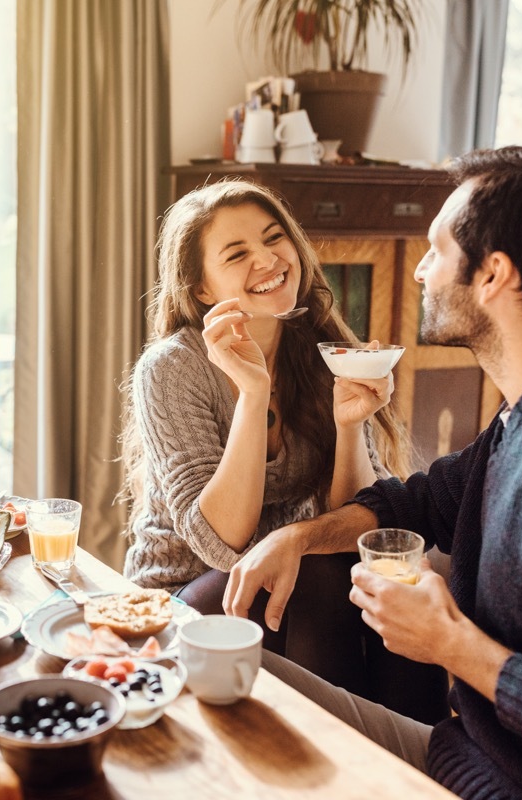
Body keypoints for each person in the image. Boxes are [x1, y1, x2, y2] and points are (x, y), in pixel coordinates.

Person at [224, 147, 522, 799]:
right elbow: (419, 502)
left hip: (512, 786)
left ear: (494, 274)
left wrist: (450, 644)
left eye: (437, 250)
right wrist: (296, 537)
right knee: (222, 675)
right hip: (464, 754)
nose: (418, 271)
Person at [119, 178, 449, 722]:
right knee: (316, 576)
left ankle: (425, 761)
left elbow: (357, 524)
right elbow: (224, 544)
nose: (268, 259)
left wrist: (350, 425)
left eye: (275, 239)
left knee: (395, 580)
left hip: (294, 576)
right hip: (180, 597)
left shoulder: (320, 347)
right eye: (237, 253)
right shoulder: (172, 369)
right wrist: (252, 395)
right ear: (202, 289)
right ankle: (345, 764)